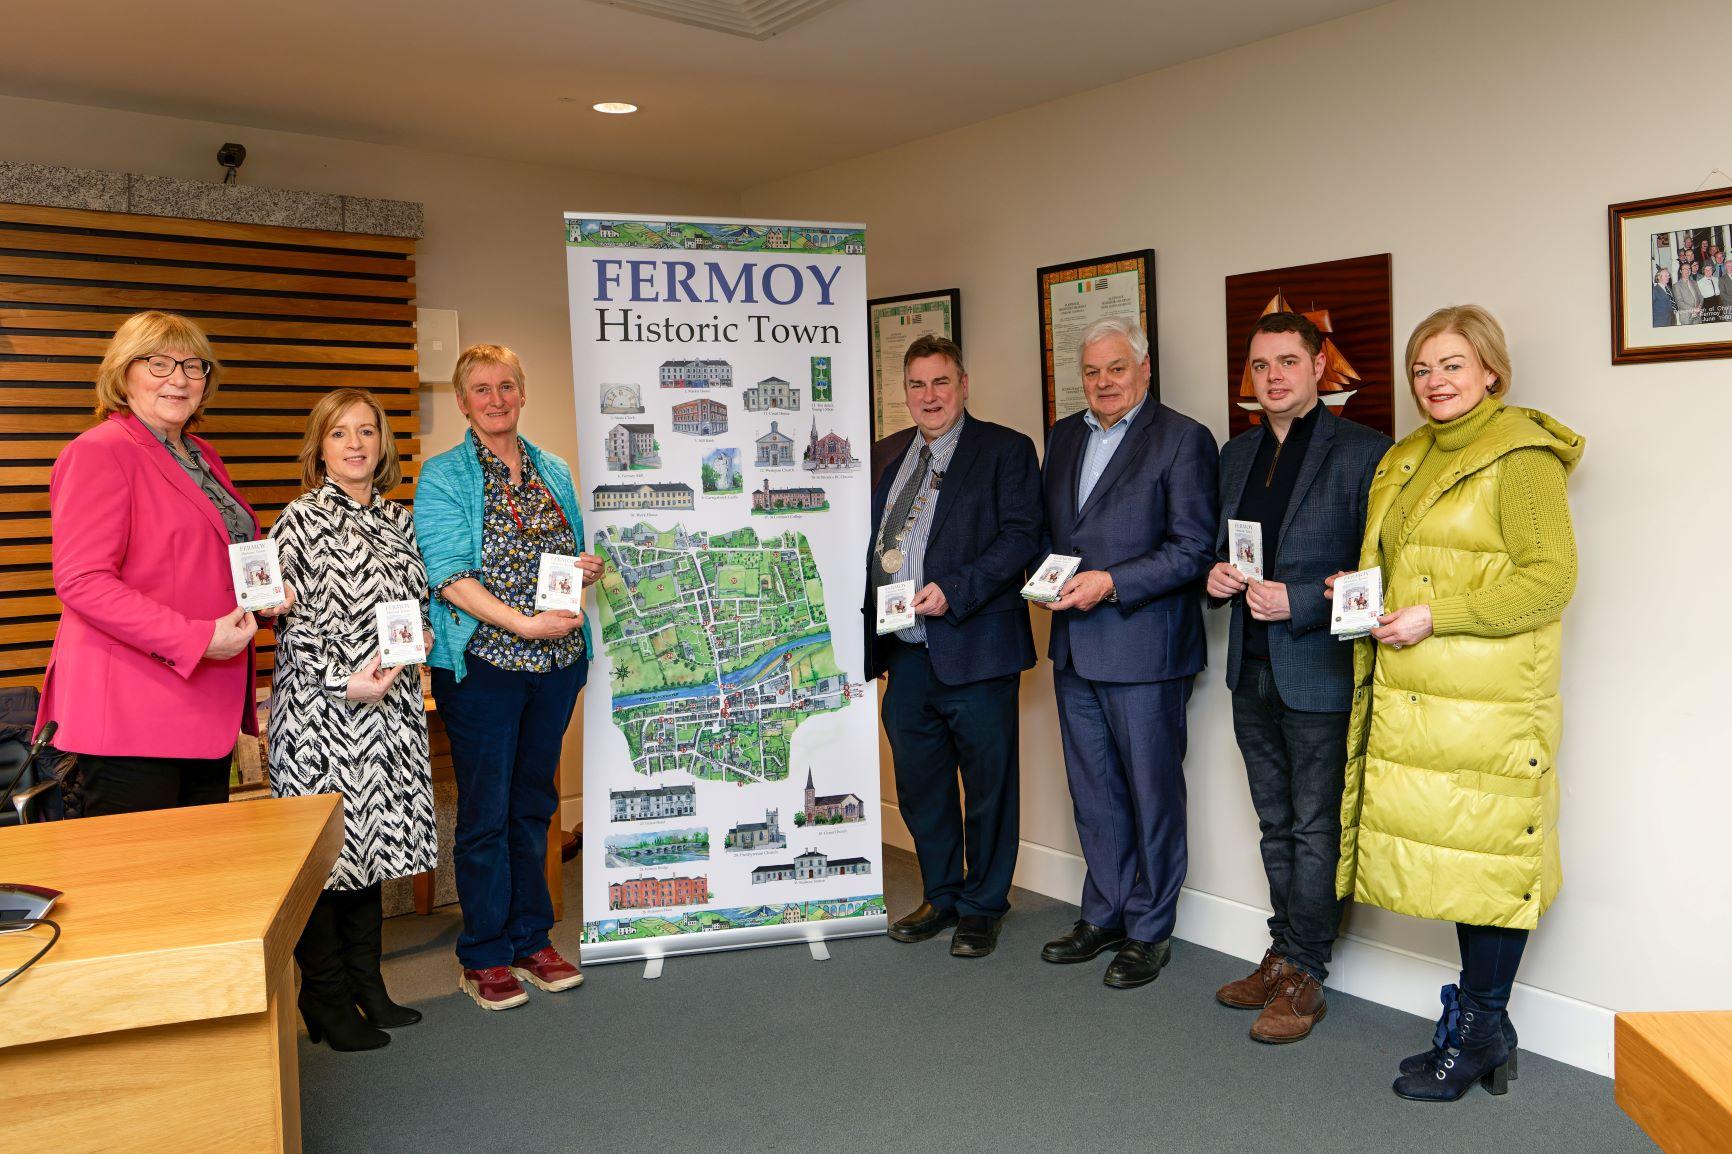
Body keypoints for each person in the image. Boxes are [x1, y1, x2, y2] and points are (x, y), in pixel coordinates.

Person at [1334, 305, 1582, 1101]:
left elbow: (1549, 579)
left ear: (1490, 373)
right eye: (1421, 368)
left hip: (1488, 704)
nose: (1434, 382)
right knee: (1456, 863)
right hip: (1419, 700)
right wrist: (1360, 593)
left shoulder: (1521, 457)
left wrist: (1440, 615)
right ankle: (1485, 1026)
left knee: (1489, 862)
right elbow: (1411, 567)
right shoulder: (1406, 458)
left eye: (1451, 365)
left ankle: (1478, 1028)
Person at [1204, 312, 1391, 1043]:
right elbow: (1220, 548)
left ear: (1319, 366)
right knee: (1275, 824)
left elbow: (1379, 577)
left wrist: (1304, 598)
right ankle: (1283, 952)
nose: (1273, 376)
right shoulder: (1235, 454)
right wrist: (1213, 577)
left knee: (1316, 829)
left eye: (1287, 361)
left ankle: (1307, 973)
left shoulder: (1366, 453)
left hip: (1316, 669)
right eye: (1259, 365)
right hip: (1247, 667)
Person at [36, 311, 290, 816]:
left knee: (198, 883)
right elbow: (82, 581)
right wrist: (197, 639)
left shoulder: (201, 454)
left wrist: (262, 599)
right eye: (159, 363)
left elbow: (206, 556)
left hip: (201, 709)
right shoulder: (99, 452)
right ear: (122, 373)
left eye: (194, 366)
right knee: (142, 887)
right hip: (133, 714)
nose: (179, 378)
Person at [414, 344, 601, 1012]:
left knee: (534, 806)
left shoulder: (553, 469)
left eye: (507, 387)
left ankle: (531, 939)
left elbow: (563, 549)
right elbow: (450, 576)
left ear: (523, 394)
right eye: (481, 390)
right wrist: (520, 625)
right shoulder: (442, 477)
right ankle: (484, 953)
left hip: (554, 667)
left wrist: (584, 568)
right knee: (487, 814)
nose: (496, 399)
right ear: (463, 403)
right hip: (487, 667)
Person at [1033, 316, 1218, 989]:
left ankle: (1149, 928)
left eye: (1116, 368)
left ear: (1144, 368)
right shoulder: (1061, 438)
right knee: (1094, 794)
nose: (1103, 382)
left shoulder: (1182, 439)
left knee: (1152, 794)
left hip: (1146, 649)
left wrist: (1109, 583)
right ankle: (1104, 911)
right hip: (1074, 649)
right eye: (1091, 371)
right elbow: (1058, 534)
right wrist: (1045, 579)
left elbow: (1194, 549)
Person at [268, 389, 438, 1052]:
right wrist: (345, 678)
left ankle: (370, 986)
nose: (356, 444)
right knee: (327, 859)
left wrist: (417, 637)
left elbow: (413, 602)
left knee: (370, 853)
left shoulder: (398, 520)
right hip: (323, 713)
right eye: (341, 434)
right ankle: (328, 997)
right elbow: (289, 625)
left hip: (389, 706)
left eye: (367, 432)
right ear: (321, 447)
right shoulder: (299, 520)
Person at [865, 334, 1043, 958]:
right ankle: (941, 894)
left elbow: (1021, 537)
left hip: (976, 647)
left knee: (988, 784)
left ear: (963, 385)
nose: (930, 396)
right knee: (921, 785)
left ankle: (983, 905)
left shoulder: (1005, 450)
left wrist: (955, 589)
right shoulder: (887, 455)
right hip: (906, 653)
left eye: (942, 382)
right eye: (917, 384)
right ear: (905, 393)